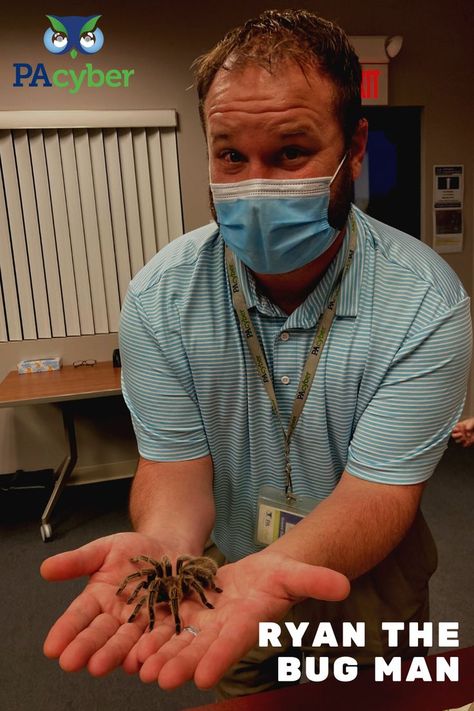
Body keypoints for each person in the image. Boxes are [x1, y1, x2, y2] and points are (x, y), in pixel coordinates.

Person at [41, 9, 472, 698]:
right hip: (227, 586)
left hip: (371, 587)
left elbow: (380, 490)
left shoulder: (423, 302)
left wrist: (278, 569)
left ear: (354, 148)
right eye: (230, 155)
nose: (256, 182)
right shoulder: (161, 297)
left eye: (291, 152)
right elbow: (175, 470)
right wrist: (168, 544)